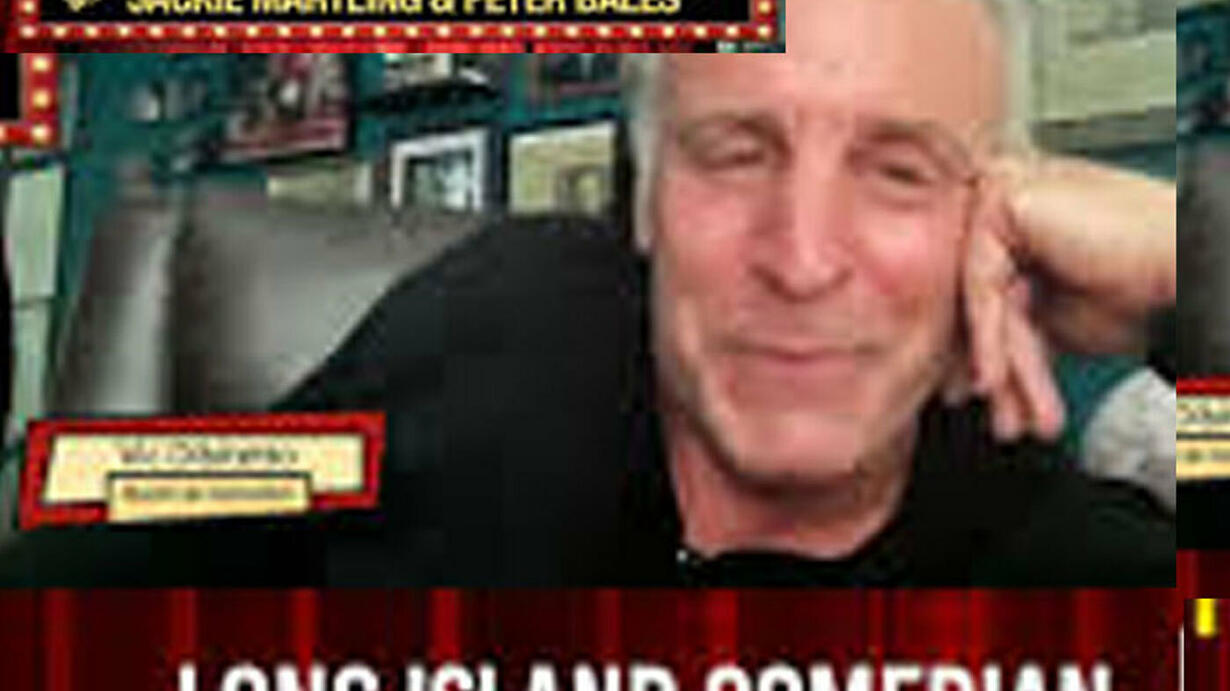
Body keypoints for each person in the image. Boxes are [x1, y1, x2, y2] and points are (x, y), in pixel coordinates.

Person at [0, 0, 1174, 586]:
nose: (803, 258)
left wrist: (1190, 279)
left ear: (992, 218)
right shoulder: (510, 313)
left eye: (899, 170)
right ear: (648, 200)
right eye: (737, 154)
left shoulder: (1068, 554)